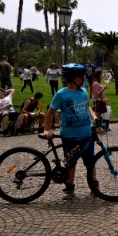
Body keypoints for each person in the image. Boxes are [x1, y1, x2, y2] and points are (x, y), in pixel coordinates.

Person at [43, 63, 100, 200]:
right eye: (81, 77)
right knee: (70, 162)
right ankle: (69, 185)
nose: (83, 79)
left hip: (86, 133)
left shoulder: (83, 92)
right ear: (73, 78)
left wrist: (95, 118)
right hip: (69, 135)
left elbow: (87, 107)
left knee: (90, 162)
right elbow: (50, 113)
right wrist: (47, 129)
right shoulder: (61, 94)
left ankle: (94, 185)